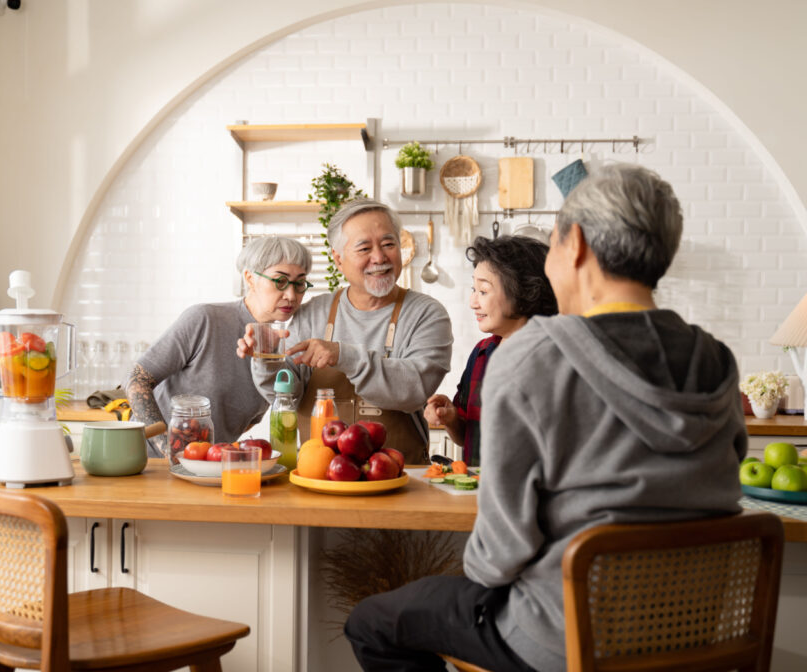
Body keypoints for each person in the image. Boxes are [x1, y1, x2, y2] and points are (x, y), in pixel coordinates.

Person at [345, 164, 747, 672]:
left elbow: (497, 557)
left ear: (573, 244)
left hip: (566, 636)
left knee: (372, 623)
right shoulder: (714, 358)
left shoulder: (532, 356)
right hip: (694, 633)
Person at [238, 198, 453, 465]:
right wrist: (267, 357)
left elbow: (414, 389)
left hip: (401, 478)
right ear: (338, 260)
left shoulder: (426, 314)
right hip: (320, 476)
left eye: (388, 244)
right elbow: (287, 398)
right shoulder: (313, 314)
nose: (379, 257)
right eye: (364, 248)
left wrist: (343, 356)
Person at [127, 236, 313, 457]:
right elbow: (136, 380)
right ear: (250, 278)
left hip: (208, 468)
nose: (291, 295)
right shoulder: (204, 319)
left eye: (299, 284)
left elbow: (247, 421)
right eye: (280, 281)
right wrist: (165, 447)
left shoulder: (283, 347)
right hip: (147, 461)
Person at [424, 235, 557, 466]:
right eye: (474, 289)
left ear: (525, 291)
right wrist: (452, 419)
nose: (473, 302)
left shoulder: (553, 358)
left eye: (483, 291)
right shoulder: (482, 353)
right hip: (481, 493)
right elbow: (467, 440)